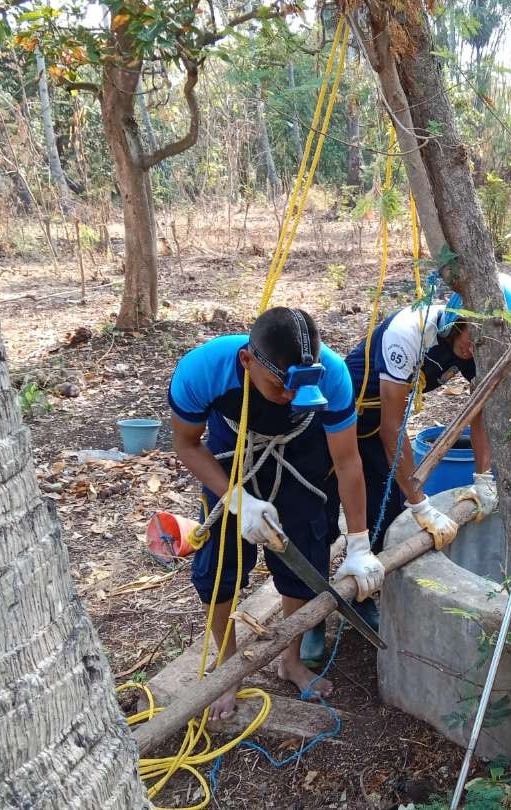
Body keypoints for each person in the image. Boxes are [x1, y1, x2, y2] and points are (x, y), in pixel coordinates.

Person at [288, 274, 511, 661]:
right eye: (474, 336)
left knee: (384, 515)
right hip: (334, 422)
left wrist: (484, 478)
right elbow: (392, 429)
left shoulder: (475, 348)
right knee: (318, 516)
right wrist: (421, 503)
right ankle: (313, 619)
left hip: (375, 428)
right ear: (458, 318)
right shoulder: (411, 331)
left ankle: (363, 594)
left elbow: (480, 410)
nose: (476, 347)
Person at [168, 307, 382, 718]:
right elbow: (187, 443)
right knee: (218, 567)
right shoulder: (203, 369)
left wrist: (359, 543)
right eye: (281, 386)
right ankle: (229, 669)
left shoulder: (334, 376)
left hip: (304, 453)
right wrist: (237, 500)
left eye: (302, 389)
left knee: (306, 555)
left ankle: (291, 659)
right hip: (233, 455)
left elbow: (347, 461)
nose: (289, 397)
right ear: (248, 361)